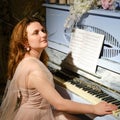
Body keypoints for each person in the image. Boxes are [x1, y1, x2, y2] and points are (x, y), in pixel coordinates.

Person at [0, 16, 117, 120]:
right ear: (25, 43)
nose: (43, 34)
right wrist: (94, 108)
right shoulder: (35, 68)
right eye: (36, 33)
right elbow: (60, 104)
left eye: (43, 30)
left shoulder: (27, 60)